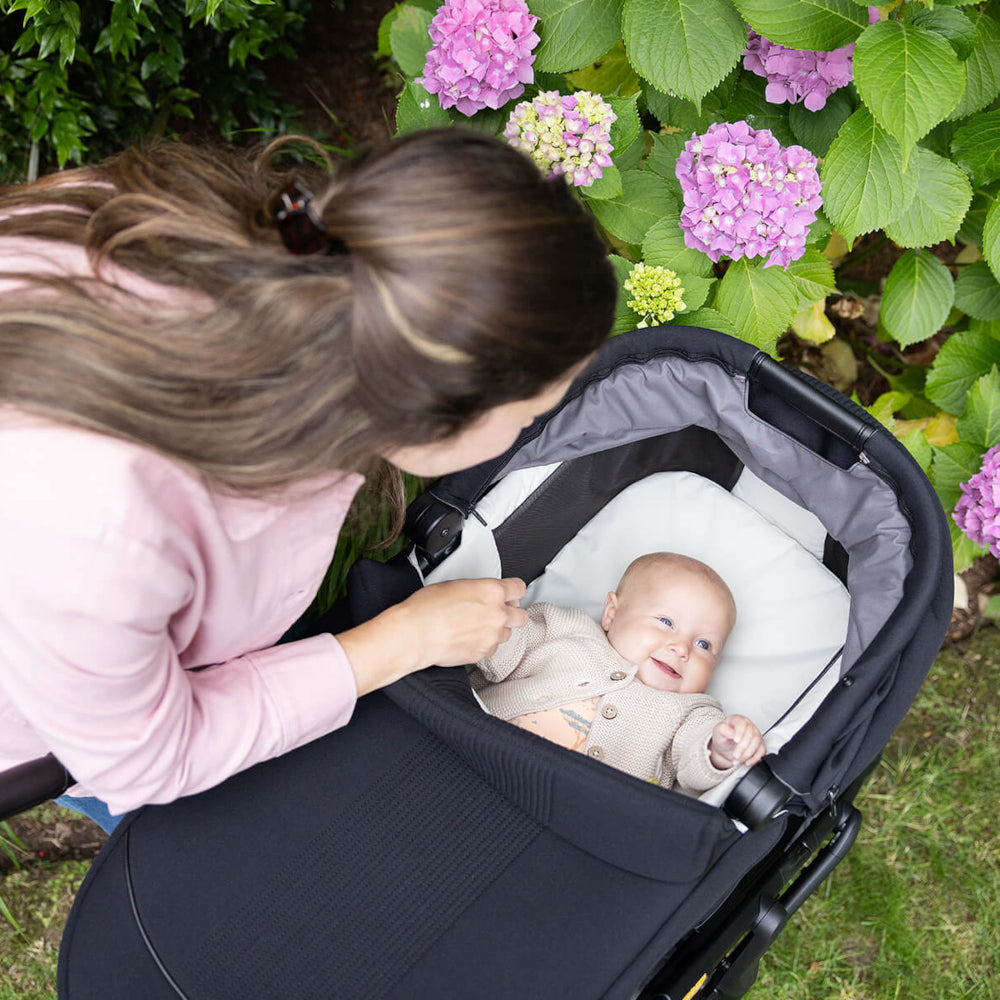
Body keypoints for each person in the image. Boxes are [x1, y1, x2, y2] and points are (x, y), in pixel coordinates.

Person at [0, 128, 617, 833]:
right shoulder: (99, 533)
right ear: (427, 415)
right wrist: (399, 644)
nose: (536, 426)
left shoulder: (253, 235)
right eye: (534, 411)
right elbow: (146, 757)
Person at [474, 552, 765, 792]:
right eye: (665, 621)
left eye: (704, 644)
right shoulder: (567, 629)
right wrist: (492, 622)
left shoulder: (691, 712)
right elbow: (505, 646)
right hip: (475, 744)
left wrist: (721, 750)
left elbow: (694, 767)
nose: (682, 648)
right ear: (611, 614)